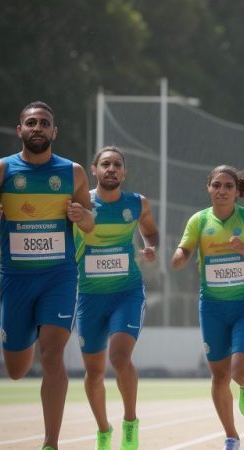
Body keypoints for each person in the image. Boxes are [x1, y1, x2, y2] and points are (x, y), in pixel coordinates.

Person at [0, 101, 95, 450]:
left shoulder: (73, 172)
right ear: (19, 130)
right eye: (31, 123)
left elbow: (90, 221)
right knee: (16, 369)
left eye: (44, 123)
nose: (37, 128)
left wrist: (79, 213)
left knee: (53, 354)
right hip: (17, 279)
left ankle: (50, 443)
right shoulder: (1, 169)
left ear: (54, 132)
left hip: (59, 276)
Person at [171, 165, 244, 450]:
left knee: (239, 372)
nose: (221, 191)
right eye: (216, 185)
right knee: (219, 375)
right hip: (212, 307)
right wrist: (179, 257)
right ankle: (231, 436)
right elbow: (183, 251)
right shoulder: (198, 221)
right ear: (208, 188)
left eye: (228, 186)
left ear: (237, 192)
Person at [77, 146, 159, 450]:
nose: (111, 169)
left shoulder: (137, 204)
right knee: (94, 371)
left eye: (117, 165)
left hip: (127, 293)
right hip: (89, 296)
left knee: (120, 357)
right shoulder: (81, 203)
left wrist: (150, 247)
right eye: (105, 164)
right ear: (94, 170)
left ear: (124, 172)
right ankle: (102, 429)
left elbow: (151, 232)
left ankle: (130, 421)